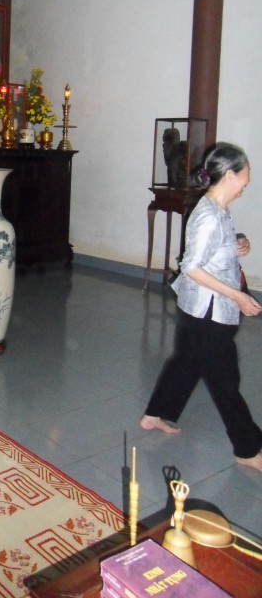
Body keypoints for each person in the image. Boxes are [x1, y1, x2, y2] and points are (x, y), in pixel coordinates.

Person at [141, 142, 262, 472]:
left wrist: (237, 243)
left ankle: (155, 415)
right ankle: (248, 448)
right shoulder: (209, 215)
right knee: (225, 381)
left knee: (186, 361)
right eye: (247, 173)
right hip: (209, 312)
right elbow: (192, 267)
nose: (249, 179)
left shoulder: (216, 208)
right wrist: (237, 296)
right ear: (230, 175)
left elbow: (211, 249)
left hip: (197, 307)